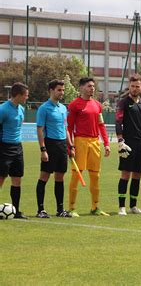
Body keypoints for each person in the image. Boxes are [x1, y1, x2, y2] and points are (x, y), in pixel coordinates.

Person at [67, 77, 110, 217]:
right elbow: (69, 127)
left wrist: (106, 143)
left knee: (95, 176)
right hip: (80, 141)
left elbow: (101, 125)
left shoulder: (97, 105)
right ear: (81, 88)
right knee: (76, 175)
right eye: (89, 86)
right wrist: (70, 145)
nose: (92, 88)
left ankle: (95, 207)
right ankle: (72, 208)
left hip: (94, 142)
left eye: (93, 86)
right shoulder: (74, 105)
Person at [35, 79, 75, 218]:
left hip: (62, 145)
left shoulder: (63, 108)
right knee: (44, 177)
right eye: (59, 90)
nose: (62, 92)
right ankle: (40, 210)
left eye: (63, 90)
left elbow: (66, 129)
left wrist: (71, 146)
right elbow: (40, 130)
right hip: (50, 145)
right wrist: (43, 149)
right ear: (51, 90)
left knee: (60, 178)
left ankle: (60, 209)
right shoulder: (44, 108)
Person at [115, 74, 141, 216]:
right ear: (129, 86)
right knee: (125, 174)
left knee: (137, 175)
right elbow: (118, 121)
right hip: (128, 143)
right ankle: (121, 207)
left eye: (137, 86)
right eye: (132, 86)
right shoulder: (123, 102)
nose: (135, 88)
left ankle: (133, 206)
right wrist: (120, 140)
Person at [0, 82, 29, 219]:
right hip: (4, 148)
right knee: (1, 178)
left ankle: (16, 211)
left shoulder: (21, 109)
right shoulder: (3, 109)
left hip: (18, 148)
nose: (27, 98)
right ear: (18, 95)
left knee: (17, 179)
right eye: (26, 95)